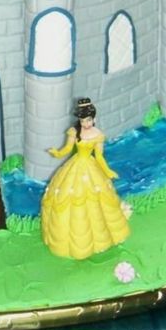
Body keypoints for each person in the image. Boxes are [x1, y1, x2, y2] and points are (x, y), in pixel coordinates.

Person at [40, 97, 130, 259]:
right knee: (68, 197)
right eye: (83, 121)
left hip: (90, 166)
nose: (86, 124)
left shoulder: (98, 135)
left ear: (93, 118)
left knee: (96, 200)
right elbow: (67, 149)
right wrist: (57, 153)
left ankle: (102, 237)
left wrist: (108, 171)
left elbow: (99, 157)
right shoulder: (74, 132)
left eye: (88, 120)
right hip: (75, 166)